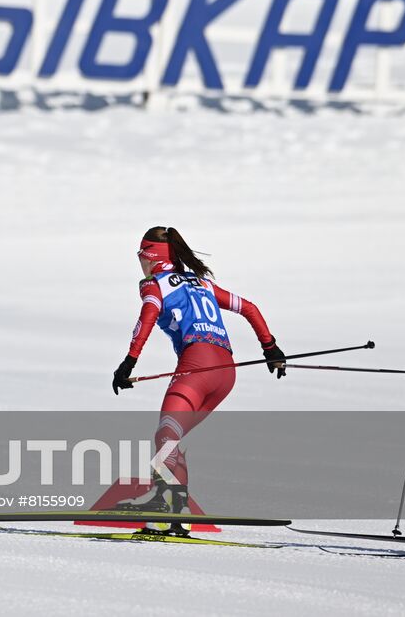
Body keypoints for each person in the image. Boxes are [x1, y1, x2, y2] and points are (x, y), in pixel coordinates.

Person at [110, 226, 285, 530]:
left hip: (196, 365)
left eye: (141, 255)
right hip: (225, 374)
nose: (139, 261)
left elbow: (148, 316)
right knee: (171, 437)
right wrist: (270, 347)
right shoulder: (202, 283)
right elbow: (249, 308)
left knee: (166, 437)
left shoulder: (156, 285)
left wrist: (129, 362)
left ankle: (169, 509)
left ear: (151, 257)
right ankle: (176, 509)